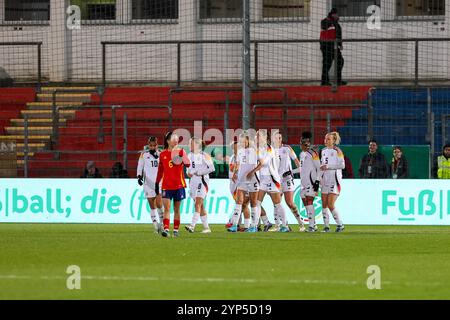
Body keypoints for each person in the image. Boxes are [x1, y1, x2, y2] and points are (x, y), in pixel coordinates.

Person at [246, 130, 289, 233]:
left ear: (265, 138)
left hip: (272, 179)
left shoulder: (269, 148)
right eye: (256, 136)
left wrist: (253, 171)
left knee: (277, 204)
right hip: (262, 180)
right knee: (257, 203)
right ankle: (254, 226)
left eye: (259, 136)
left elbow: (264, 163)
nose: (257, 137)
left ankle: (284, 225)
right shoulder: (258, 149)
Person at [155, 132, 191, 237]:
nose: (176, 140)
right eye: (173, 138)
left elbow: (188, 164)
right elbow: (160, 171)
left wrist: (182, 155)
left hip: (179, 185)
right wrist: (157, 183)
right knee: (167, 208)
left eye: (176, 138)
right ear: (168, 141)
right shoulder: (162, 154)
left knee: (176, 209)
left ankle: (175, 230)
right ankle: (166, 229)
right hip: (166, 185)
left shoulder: (181, 151)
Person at [227, 131, 260, 233]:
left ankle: (254, 226)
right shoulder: (240, 152)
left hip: (253, 179)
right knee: (239, 202)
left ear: (247, 141)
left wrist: (252, 172)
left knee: (253, 203)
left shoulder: (254, 150)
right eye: (240, 142)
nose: (241, 143)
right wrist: (235, 173)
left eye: (243, 141)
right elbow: (238, 164)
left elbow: (261, 163)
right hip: (241, 180)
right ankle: (235, 225)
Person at [272, 132, 305, 232]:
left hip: (287, 179)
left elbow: (299, 166)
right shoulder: (271, 150)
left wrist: (291, 172)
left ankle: (301, 223)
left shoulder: (287, 148)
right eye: (274, 138)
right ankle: (278, 225)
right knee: (276, 203)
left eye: (278, 138)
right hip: (277, 180)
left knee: (290, 202)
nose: (276, 140)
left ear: (281, 139)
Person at [185, 137, 215, 234]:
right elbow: (188, 169)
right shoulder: (189, 155)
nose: (189, 145)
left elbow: (212, 168)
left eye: (191, 143)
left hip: (202, 182)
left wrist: (199, 172)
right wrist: (188, 173)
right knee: (200, 206)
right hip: (192, 182)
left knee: (197, 204)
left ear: (197, 145)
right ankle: (206, 228)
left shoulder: (204, 155)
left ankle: (192, 226)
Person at [137, 136, 164, 233]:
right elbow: (140, 165)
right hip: (148, 183)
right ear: (148, 145)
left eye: (154, 145)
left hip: (158, 183)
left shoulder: (161, 154)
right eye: (150, 145)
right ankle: (155, 226)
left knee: (159, 204)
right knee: (152, 205)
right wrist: (139, 176)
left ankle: (162, 224)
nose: (152, 147)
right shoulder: (144, 154)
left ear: (157, 145)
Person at [320, 132, 345, 233]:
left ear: (334, 141)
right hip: (325, 180)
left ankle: (340, 224)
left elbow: (342, 165)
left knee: (330, 204)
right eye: (325, 138)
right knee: (324, 204)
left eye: (328, 139)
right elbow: (322, 166)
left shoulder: (337, 151)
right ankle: (326, 227)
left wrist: (329, 166)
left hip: (334, 180)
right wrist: (319, 179)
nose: (326, 140)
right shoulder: (323, 151)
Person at [299, 131, 321, 233]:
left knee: (309, 201)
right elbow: (301, 168)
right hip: (303, 183)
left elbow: (319, 168)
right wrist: (290, 172)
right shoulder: (302, 154)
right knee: (304, 200)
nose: (302, 144)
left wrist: (317, 182)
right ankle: (314, 224)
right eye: (301, 142)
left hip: (311, 182)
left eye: (304, 142)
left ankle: (311, 226)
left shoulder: (313, 153)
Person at [320, 8, 346, 86]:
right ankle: (324, 82)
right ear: (333, 14)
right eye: (337, 14)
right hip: (326, 45)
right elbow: (324, 26)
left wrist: (340, 45)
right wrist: (333, 21)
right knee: (327, 64)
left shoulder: (336, 24)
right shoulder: (325, 21)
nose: (338, 16)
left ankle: (338, 81)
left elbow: (338, 35)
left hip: (334, 46)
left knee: (340, 61)